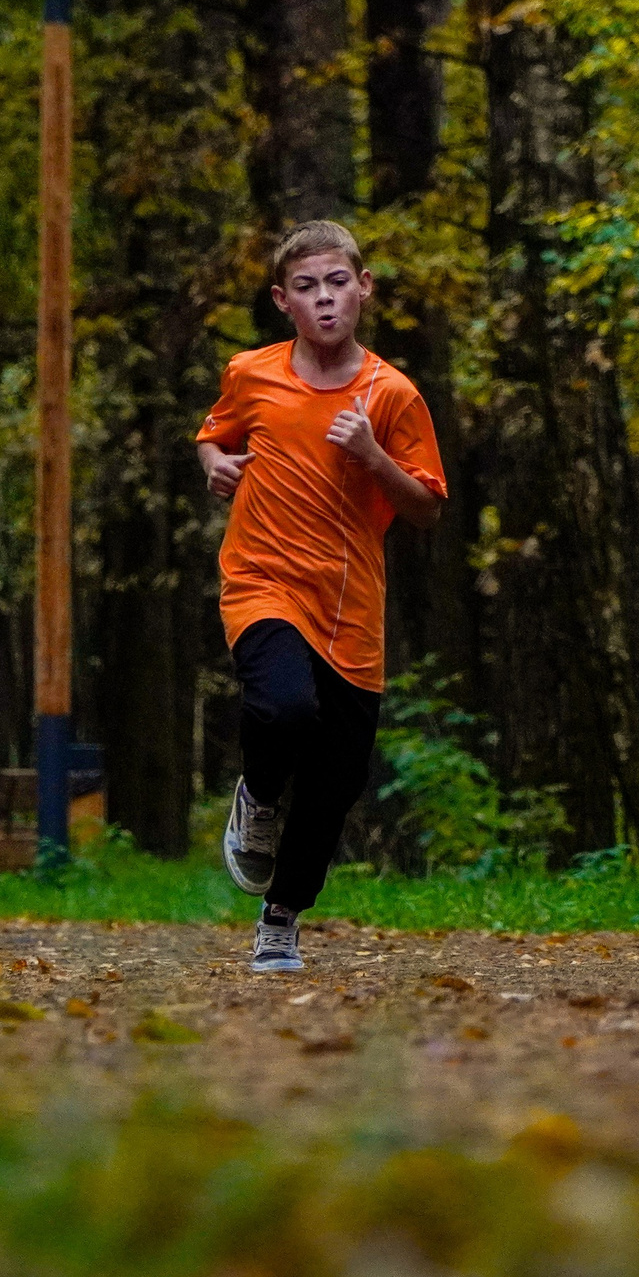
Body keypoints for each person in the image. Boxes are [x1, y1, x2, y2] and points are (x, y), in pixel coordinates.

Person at [194, 220, 447, 974]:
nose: (325, 298)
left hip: (349, 605)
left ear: (364, 288)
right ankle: (260, 796)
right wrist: (215, 461)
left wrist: (372, 455)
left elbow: (429, 507)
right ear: (283, 301)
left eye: (338, 282)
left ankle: (281, 917)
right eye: (306, 287)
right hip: (262, 578)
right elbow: (214, 432)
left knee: (338, 779)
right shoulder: (252, 372)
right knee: (283, 708)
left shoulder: (393, 394)